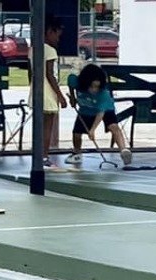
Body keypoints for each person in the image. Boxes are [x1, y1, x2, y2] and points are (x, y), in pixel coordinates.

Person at [66, 62, 134, 168]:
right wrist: (73, 98)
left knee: (114, 127)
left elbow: (100, 114)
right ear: (85, 82)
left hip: (105, 110)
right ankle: (77, 153)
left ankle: (123, 150)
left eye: (97, 87)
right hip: (86, 110)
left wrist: (92, 130)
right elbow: (70, 81)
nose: (94, 90)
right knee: (77, 134)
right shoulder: (75, 81)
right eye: (92, 87)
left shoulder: (103, 94)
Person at [37, 14, 69, 168]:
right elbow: (50, 75)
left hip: (36, 91)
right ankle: (44, 156)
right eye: (57, 35)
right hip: (48, 93)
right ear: (50, 31)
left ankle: (40, 155)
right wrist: (61, 96)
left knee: (39, 125)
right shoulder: (50, 50)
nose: (58, 39)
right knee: (48, 126)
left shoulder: (33, 48)